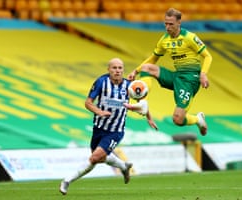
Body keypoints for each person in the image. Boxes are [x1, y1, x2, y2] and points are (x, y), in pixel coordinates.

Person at [59, 58, 158, 195]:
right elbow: (88, 103)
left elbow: (142, 103)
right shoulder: (101, 82)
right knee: (99, 158)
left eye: (120, 68)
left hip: (115, 131)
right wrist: (99, 112)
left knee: (94, 158)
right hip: (99, 128)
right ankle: (124, 166)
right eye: (114, 68)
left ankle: (66, 181)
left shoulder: (129, 86)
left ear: (123, 70)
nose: (117, 71)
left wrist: (149, 118)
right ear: (109, 69)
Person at [126, 8, 212, 136]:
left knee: (177, 119)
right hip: (176, 76)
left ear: (179, 23)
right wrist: (136, 71)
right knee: (147, 68)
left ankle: (198, 119)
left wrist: (203, 74)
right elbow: (153, 58)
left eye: (171, 24)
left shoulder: (189, 37)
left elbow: (208, 56)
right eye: (165, 23)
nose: (167, 27)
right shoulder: (164, 40)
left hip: (190, 79)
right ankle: (143, 103)